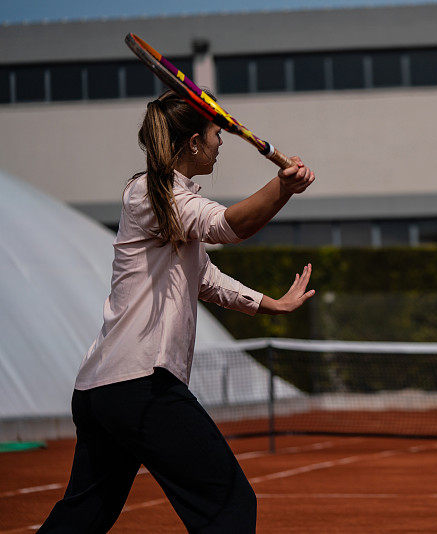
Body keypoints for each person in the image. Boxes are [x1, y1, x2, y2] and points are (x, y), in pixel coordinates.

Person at [38, 90, 315, 533]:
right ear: (192, 143)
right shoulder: (149, 192)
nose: (220, 141)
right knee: (228, 504)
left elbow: (205, 277)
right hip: (140, 386)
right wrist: (282, 187)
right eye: (213, 133)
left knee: (85, 516)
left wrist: (269, 304)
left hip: (105, 391)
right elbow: (229, 225)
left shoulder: (167, 200)